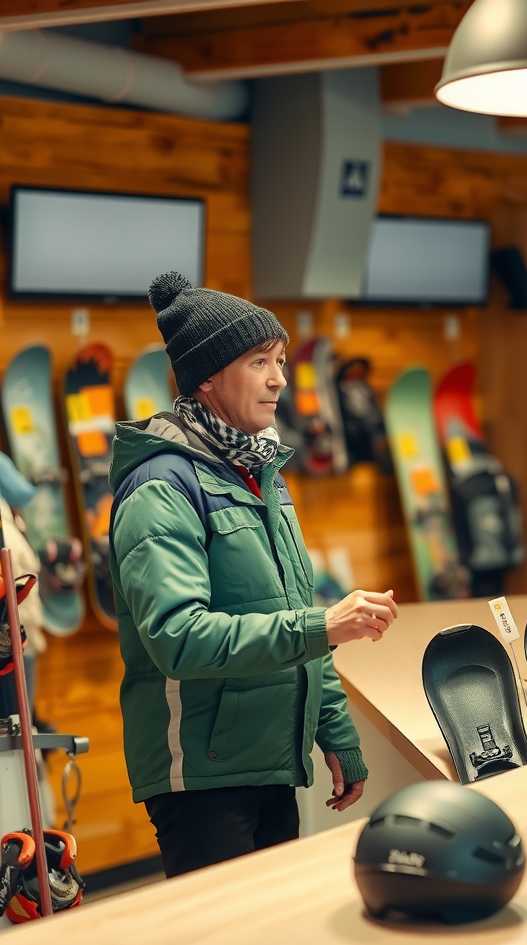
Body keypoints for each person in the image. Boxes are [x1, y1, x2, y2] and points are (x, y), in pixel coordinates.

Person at [109, 271, 399, 878]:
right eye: (259, 362)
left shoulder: (259, 472)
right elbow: (180, 638)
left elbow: (294, 612)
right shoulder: (161, 487)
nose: (279, 380)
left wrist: (336, 732)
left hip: (271, 759)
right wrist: (323, 623)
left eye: (282, 360)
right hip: (203, 774)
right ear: (208, 378)